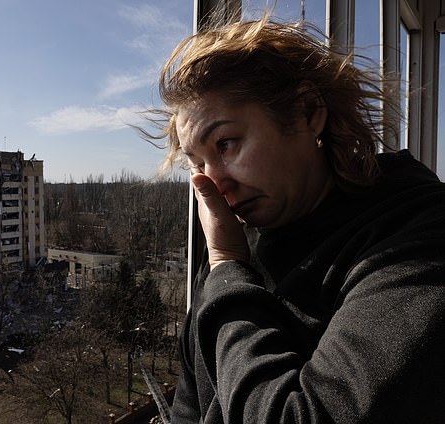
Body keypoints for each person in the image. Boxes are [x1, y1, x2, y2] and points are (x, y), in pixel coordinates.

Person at [150, 14, 445, 424]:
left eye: (227, 143)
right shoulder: (239, 245)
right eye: (197, 162)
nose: (214, 185)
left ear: (308, 113)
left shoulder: (416, 236)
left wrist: (228, 269)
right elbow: (191, 405)